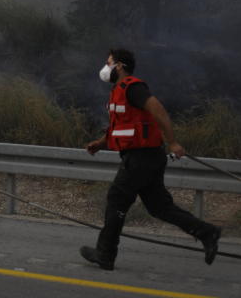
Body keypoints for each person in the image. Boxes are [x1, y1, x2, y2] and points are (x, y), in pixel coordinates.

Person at [81, 48, 221, 270]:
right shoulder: (118, 91)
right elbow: (123, 129)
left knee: (117, 199)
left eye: (108, 63)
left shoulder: (133, 87)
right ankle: (207, 232)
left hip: (141, 158)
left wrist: (173, 142)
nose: (105, 68)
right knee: (159, 207)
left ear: (119, 66)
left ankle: (105, 253)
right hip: (146, 157)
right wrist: (100, 143)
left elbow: (159, 111)